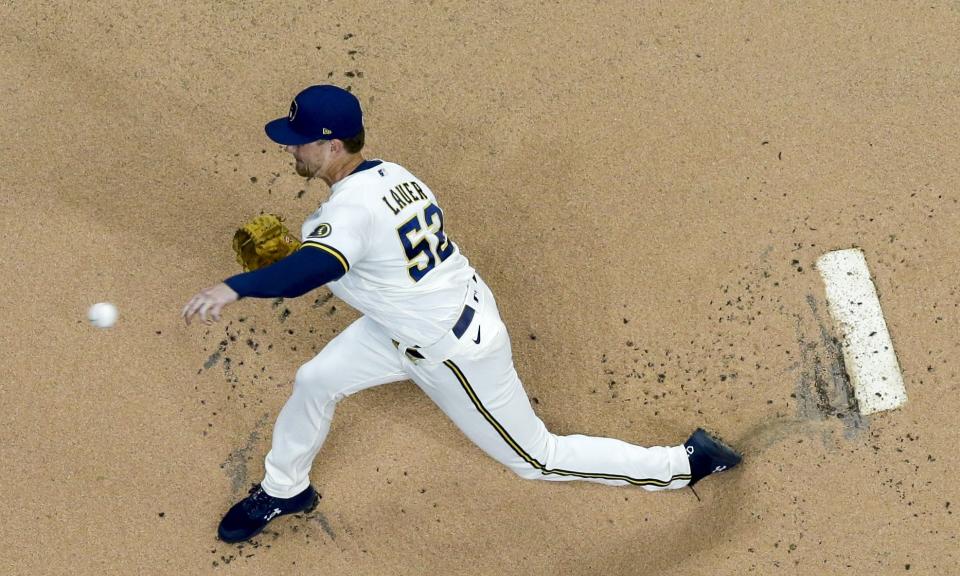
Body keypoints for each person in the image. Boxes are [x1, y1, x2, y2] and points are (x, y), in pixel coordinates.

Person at [181, 84, 742, 544]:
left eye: (300, 141)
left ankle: (683, 465)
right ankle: (284, 489)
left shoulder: (348, 213)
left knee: (537, 458)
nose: (291, 149)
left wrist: (238, 286)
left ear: (331, 146)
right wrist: (310, 252)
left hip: (455, 352)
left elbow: (311, 272)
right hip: (412, 323)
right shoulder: (394, 175)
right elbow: (364, 260)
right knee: (315, 379)